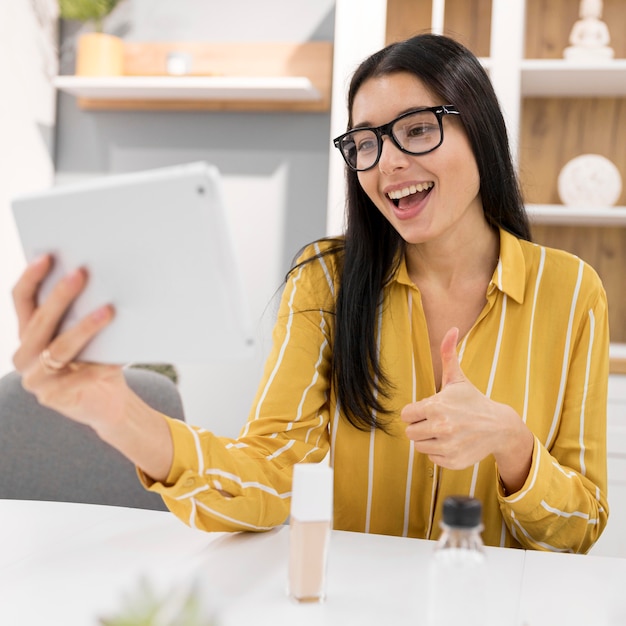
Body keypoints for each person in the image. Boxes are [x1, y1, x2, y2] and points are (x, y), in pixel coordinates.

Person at [11, 33, 609, 552]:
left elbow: (581, 526)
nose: (388, 162)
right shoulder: (326, 279)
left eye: (418, 130)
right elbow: (269, 479)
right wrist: (119, 415)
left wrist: (513, 445)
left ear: (480, 128)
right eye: (365, 144)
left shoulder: (573, 290)